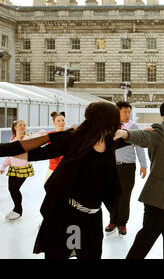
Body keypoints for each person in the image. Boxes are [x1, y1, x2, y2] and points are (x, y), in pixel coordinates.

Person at [21, 102, 127, 259]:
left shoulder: (108, 141)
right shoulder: (76, 139)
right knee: (60, 253)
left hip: (93, 218)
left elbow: (128, 137)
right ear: (104, 121)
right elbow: (39, 153)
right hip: (69, 215)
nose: (119, 124)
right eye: (115, 121)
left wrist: (130, 134)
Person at [115, 100, 164, 259]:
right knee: (144, 242)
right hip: (159, 199)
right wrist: (126, 134)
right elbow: (144, 136)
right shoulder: (160, 130)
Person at [105, 101, 147, 237]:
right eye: (124, 112)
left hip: (128, 167)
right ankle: (113, 220)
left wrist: (143, 165)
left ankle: (122, 223)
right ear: (117, 112)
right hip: (111, 167)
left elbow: (140, 146)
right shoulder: (110, 127)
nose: (127, 114)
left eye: (129, 112)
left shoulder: (133, 127)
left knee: (124, 196)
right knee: (112, 195)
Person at [0, 120, 36, 221]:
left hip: (23, 169)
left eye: (24, 125)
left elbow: (37, 139)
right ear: (15, 127)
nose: (22, 126)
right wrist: (3, 166)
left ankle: (18, 210)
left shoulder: (27, 138)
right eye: (20, 125)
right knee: (11, 189)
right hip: (13, 168)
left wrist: (40, 134)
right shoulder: (12, 139)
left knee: (15, 189)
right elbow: (9, 156)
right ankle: (16, 208)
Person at [43, 111, 66, 184]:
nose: (61, 122)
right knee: (47, 185)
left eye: (63, 120)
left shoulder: (69, 134)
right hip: (53, 167)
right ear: (54, 122)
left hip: (65, 168)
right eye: (58, 120)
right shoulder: (49, 135)